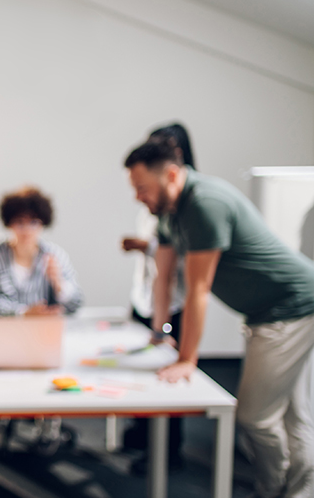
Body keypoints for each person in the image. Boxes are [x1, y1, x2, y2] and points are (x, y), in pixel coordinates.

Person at [125, 140, 314, 498]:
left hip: (291, 307)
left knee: (255, 416)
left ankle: (274, 490)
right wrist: (158, 331)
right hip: (269, 311)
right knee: (291, 413)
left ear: (171, 175)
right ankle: (299, 492)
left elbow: (199, 289)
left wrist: (187, 360)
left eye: (142, 188)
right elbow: (164, 275)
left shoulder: (204, 203)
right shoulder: (170, 211)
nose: (138, 197)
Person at [120, 123, 195, 470]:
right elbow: (160, 275)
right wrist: (157, 323)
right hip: (149, 300)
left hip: (172, 303)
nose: (138, 195)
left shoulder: (189, 207)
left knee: (168, 376)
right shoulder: (158, 207)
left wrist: (165, 328)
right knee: (144, 372)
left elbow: (181, 274)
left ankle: (167, 453)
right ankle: (144, 437)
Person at [0, 186, 82, 316]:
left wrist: (59, 283)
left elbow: (76, 304)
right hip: (5, 332)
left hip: (45, 331)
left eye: (33, 222)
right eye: (20, 222)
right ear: (9, 223)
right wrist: (24, 312)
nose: (27, 230)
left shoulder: (55, 256)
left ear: (43, 223)